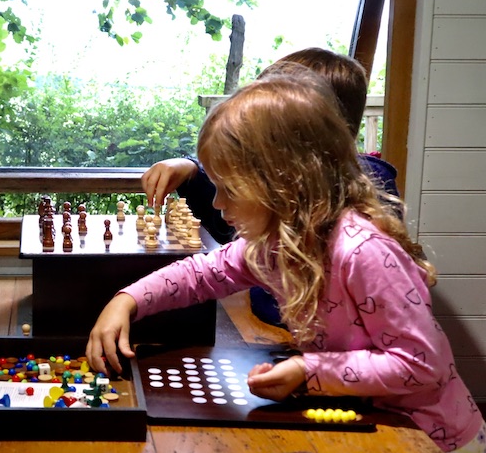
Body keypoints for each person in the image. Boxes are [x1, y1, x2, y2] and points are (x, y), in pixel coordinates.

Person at [87, 72, 486, 453]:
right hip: (369, 426)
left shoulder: (364, 252)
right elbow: (201, 273)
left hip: (434, 449)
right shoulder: (276, 241)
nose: (217, 203)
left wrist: (308, 369)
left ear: (285, 182)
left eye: (229, 187)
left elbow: (419, 364)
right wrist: (127, 300)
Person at [141, 48, 400, 326]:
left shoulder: (365, 221)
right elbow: (233, 226)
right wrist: (191, 170)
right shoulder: (285, 209)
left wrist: (308, 365)